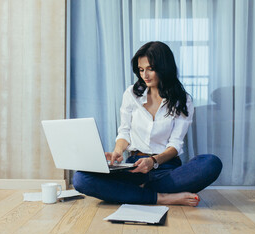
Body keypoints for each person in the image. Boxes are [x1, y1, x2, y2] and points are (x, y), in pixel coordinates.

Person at [73, 41, 222, 206]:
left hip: (166, 169)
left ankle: (137, 192)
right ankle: (161, 197)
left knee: (211, 163)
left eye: (151, 69)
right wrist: (117, 150)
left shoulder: (182, 100)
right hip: (133, 167)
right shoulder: (131, 94)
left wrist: (154, 161)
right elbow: (124, 131)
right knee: (80, 178)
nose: (145, 75)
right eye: (141, 69)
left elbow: (175, 144)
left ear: (164, 67)